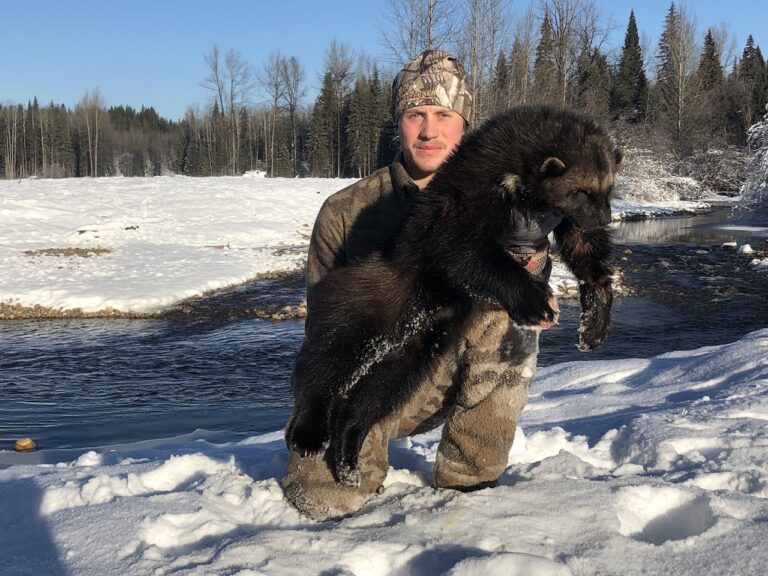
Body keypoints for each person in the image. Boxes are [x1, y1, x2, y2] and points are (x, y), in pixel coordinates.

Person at [282, 49, 554, 521]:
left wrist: (531, 258)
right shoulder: (346, 211)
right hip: (363, 378)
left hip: (452, 376)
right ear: (399, 123)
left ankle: (471, 474)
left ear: (464, 125)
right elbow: (323, 330)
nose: (429, 131)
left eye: (444, 115)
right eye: (415, 115)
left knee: (514, 318)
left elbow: (533, 295)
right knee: (323, 502)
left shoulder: (502, 203)